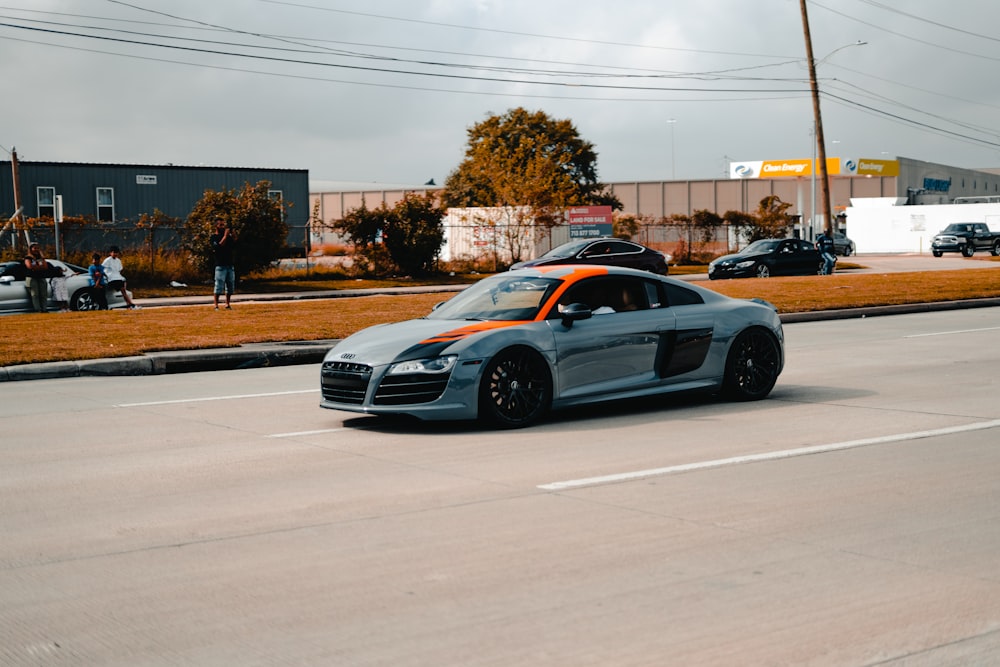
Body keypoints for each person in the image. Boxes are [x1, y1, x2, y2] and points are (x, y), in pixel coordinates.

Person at [211, 218, 236, 310]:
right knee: (219, 285)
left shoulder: (228, 238)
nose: (222, 227)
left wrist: (233, 236)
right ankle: (216, 305)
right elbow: (219, 246)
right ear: (216, 226)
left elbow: (234, 245)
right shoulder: (214, 237)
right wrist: (225, 236)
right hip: (220, 265)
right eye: (220, 225)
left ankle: (227, 304)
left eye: (223, 225)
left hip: (229, 264)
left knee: (230, 285)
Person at [23, 242, 49, 313]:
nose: (36, 249)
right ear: (31, 249)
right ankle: (37, 309)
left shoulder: (40, 258)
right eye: (35, 248)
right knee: (35, 294)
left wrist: (37, 266)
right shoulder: (28, 258)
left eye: (38, 248)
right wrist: (39, 267)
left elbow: (45, 266)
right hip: (32, 278)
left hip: (41, 277)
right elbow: (30, 266)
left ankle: (44, 308)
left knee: (43, 294)